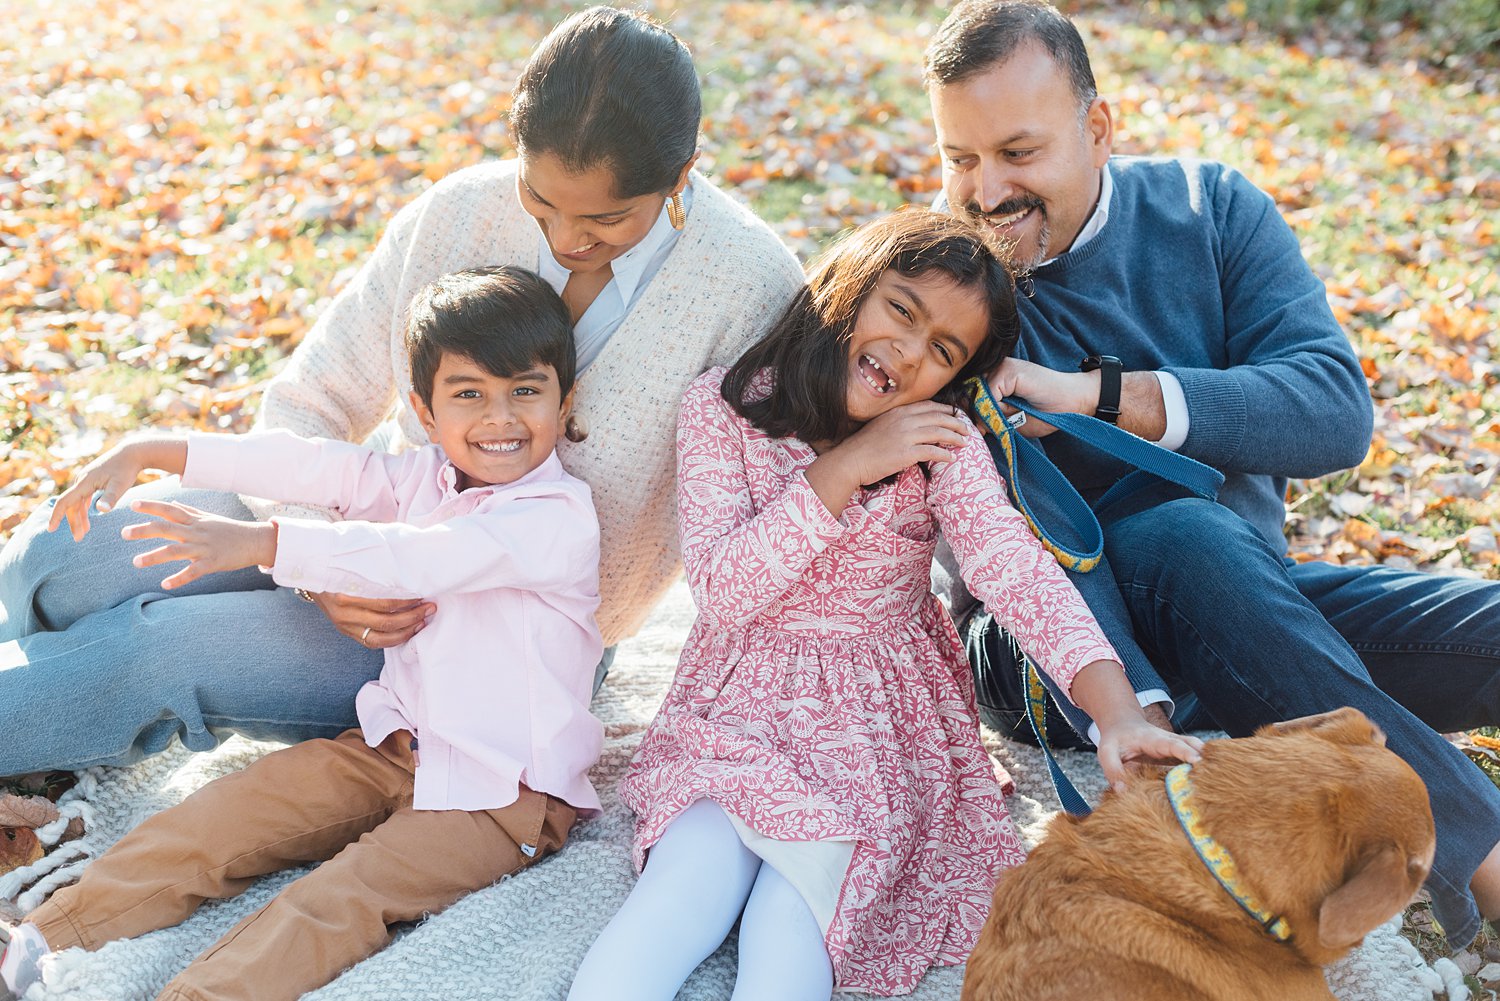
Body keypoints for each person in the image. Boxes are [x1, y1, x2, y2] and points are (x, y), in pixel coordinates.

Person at [0, 6, 804, 778]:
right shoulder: (456, 214)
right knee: (56, 559)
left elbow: (765, 541)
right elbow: (309, 401)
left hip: (493, 640)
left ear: (683, 173)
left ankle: (54, 708)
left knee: (153, 650)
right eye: (541, 200)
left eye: (607, 219)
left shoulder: (750, 290)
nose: (565, 240)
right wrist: (320, 567)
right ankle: (56, 702)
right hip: (363, 516)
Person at [922, 0, 1500, 948]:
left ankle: (1282, 704)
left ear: (1097, 128)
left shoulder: (1211, 208)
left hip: (1251, 612)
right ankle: (1478, 852)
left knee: (1480, 627)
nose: (985, 193)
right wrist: (1129, 705)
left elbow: (1332, 409)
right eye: (958, 158)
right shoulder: (944, 283)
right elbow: (998, 540)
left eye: (1016, 154)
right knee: (1180, 533)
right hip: (1050, 648)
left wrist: (1101, 395)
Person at [566, 211, 1203, 1000]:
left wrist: (1118, 711)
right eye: (901, 309)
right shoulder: (723, 408)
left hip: (872, 727)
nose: (907, 352)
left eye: (942, 350)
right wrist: (846, 469)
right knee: (683, 889)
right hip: (738, 710)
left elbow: (1017, 572)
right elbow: (726, 591)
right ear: (851, 283)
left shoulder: (942, 443)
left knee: (792, 917)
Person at [0, 266, 603, 1001]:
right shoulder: (424, 478)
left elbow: (415, 557)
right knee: (223, 817)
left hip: (506, 798)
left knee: (333, 902)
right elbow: (314, 464)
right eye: (469, 393)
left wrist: (258, 543)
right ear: (425, 409)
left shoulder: (556, 519)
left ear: (563, 399)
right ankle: (43, 941)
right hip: (393, 748)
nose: (500, 417)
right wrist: (159, 449)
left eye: (526, 391)